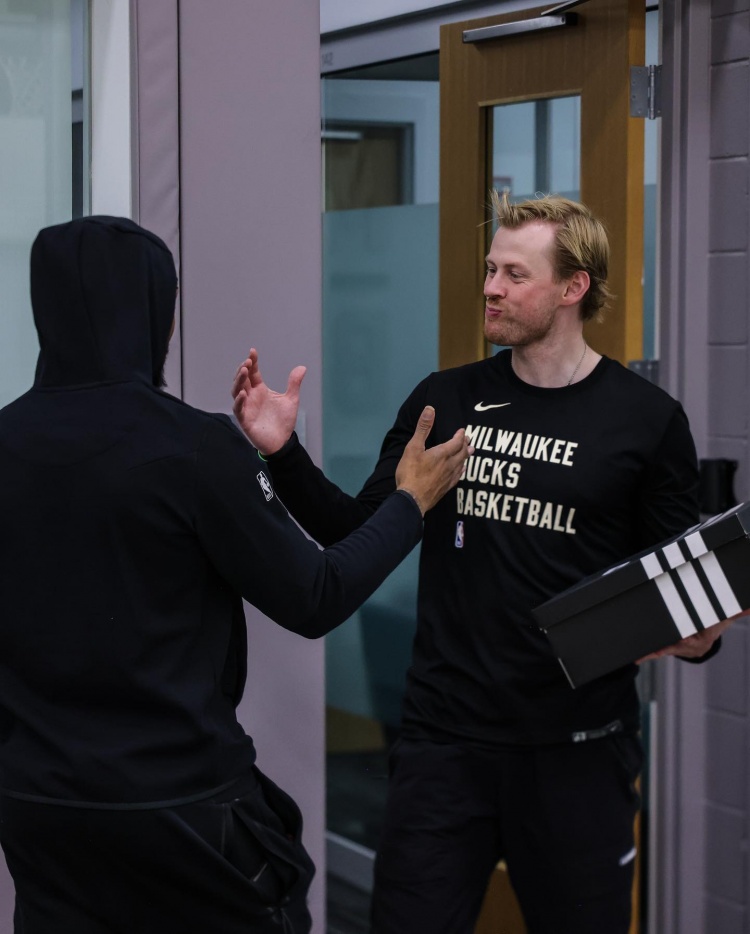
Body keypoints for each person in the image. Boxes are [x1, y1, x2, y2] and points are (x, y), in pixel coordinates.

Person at [231, 191, 731, 934]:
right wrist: (283, 452)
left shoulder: (646, 420)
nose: (491, 287)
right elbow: (359, 530)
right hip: (444, 748)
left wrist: (699, 640)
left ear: (573, 286)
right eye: (492, 269)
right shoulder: (447, 400)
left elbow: (682, 588)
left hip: (579, 755)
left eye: (515, 275)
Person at [0, 216, 471, 934]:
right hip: (178, 806)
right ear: (153, 313)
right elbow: (316, 596)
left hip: (39, 808)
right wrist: (411, 502)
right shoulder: (191, 446)